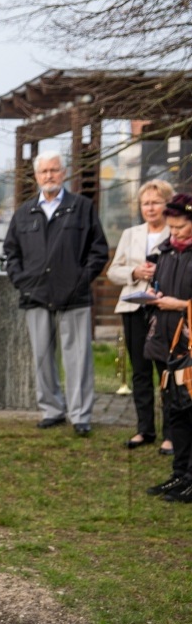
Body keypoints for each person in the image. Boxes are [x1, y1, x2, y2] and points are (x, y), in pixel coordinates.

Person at [4, 151, 109, 437]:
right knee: (42, 357)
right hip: (35, 296)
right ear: (36, 176)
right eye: (44, 171)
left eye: (54, 170)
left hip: (73, 297)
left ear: (64, 173)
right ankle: (52, 409)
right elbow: (11, 253)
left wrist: (80, 280)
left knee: (78, 359)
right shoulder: (24, 212)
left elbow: (98, 251)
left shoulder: (82, 207)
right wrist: (22, 281)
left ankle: (80, 415)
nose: (49, 176)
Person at [107, 179, 175, 452]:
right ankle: (144, 429)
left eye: (156, 202)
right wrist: (134, 273)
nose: (150, 207)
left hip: (164, 310)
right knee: (140, 371)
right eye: (145, 203)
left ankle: (171, 433)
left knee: (167, 372)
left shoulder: (177, 232)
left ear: (167, 205)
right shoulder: (131, 233)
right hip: (134, 308)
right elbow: (113, 271)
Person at [142, 194, 192, 502]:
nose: (174, 235)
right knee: (174, 410)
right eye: (171, 229)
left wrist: (184, 305)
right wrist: (152, 294)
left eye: (181, 229)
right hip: (165, 342)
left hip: (189, 342)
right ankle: (180, 473)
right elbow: (160, 288)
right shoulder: (164, 252)